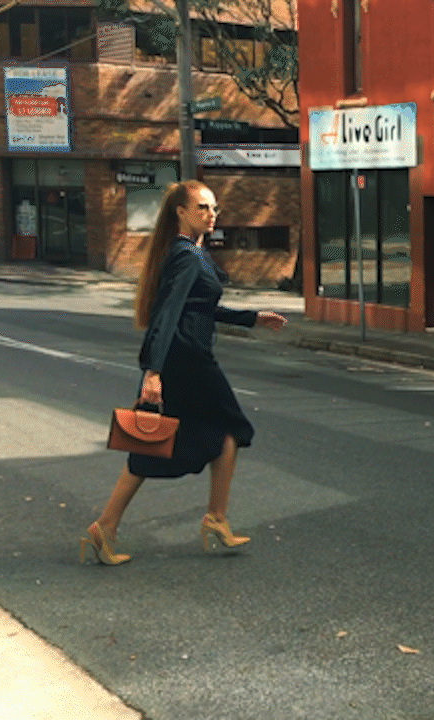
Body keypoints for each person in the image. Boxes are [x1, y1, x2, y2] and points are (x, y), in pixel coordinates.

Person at [80, 180, 287, 565]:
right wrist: (152, 370)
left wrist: (252, 318)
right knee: (232, 430)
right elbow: (167, 313)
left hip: (185, 359)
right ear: (181, 212)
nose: (211, 215)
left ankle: (105, 527)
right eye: (202, 208)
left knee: (159, 443)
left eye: (214, 209)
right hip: (188, 361)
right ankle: (214, 518)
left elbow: (198, 308)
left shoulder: (190, 252)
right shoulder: (187, 255)